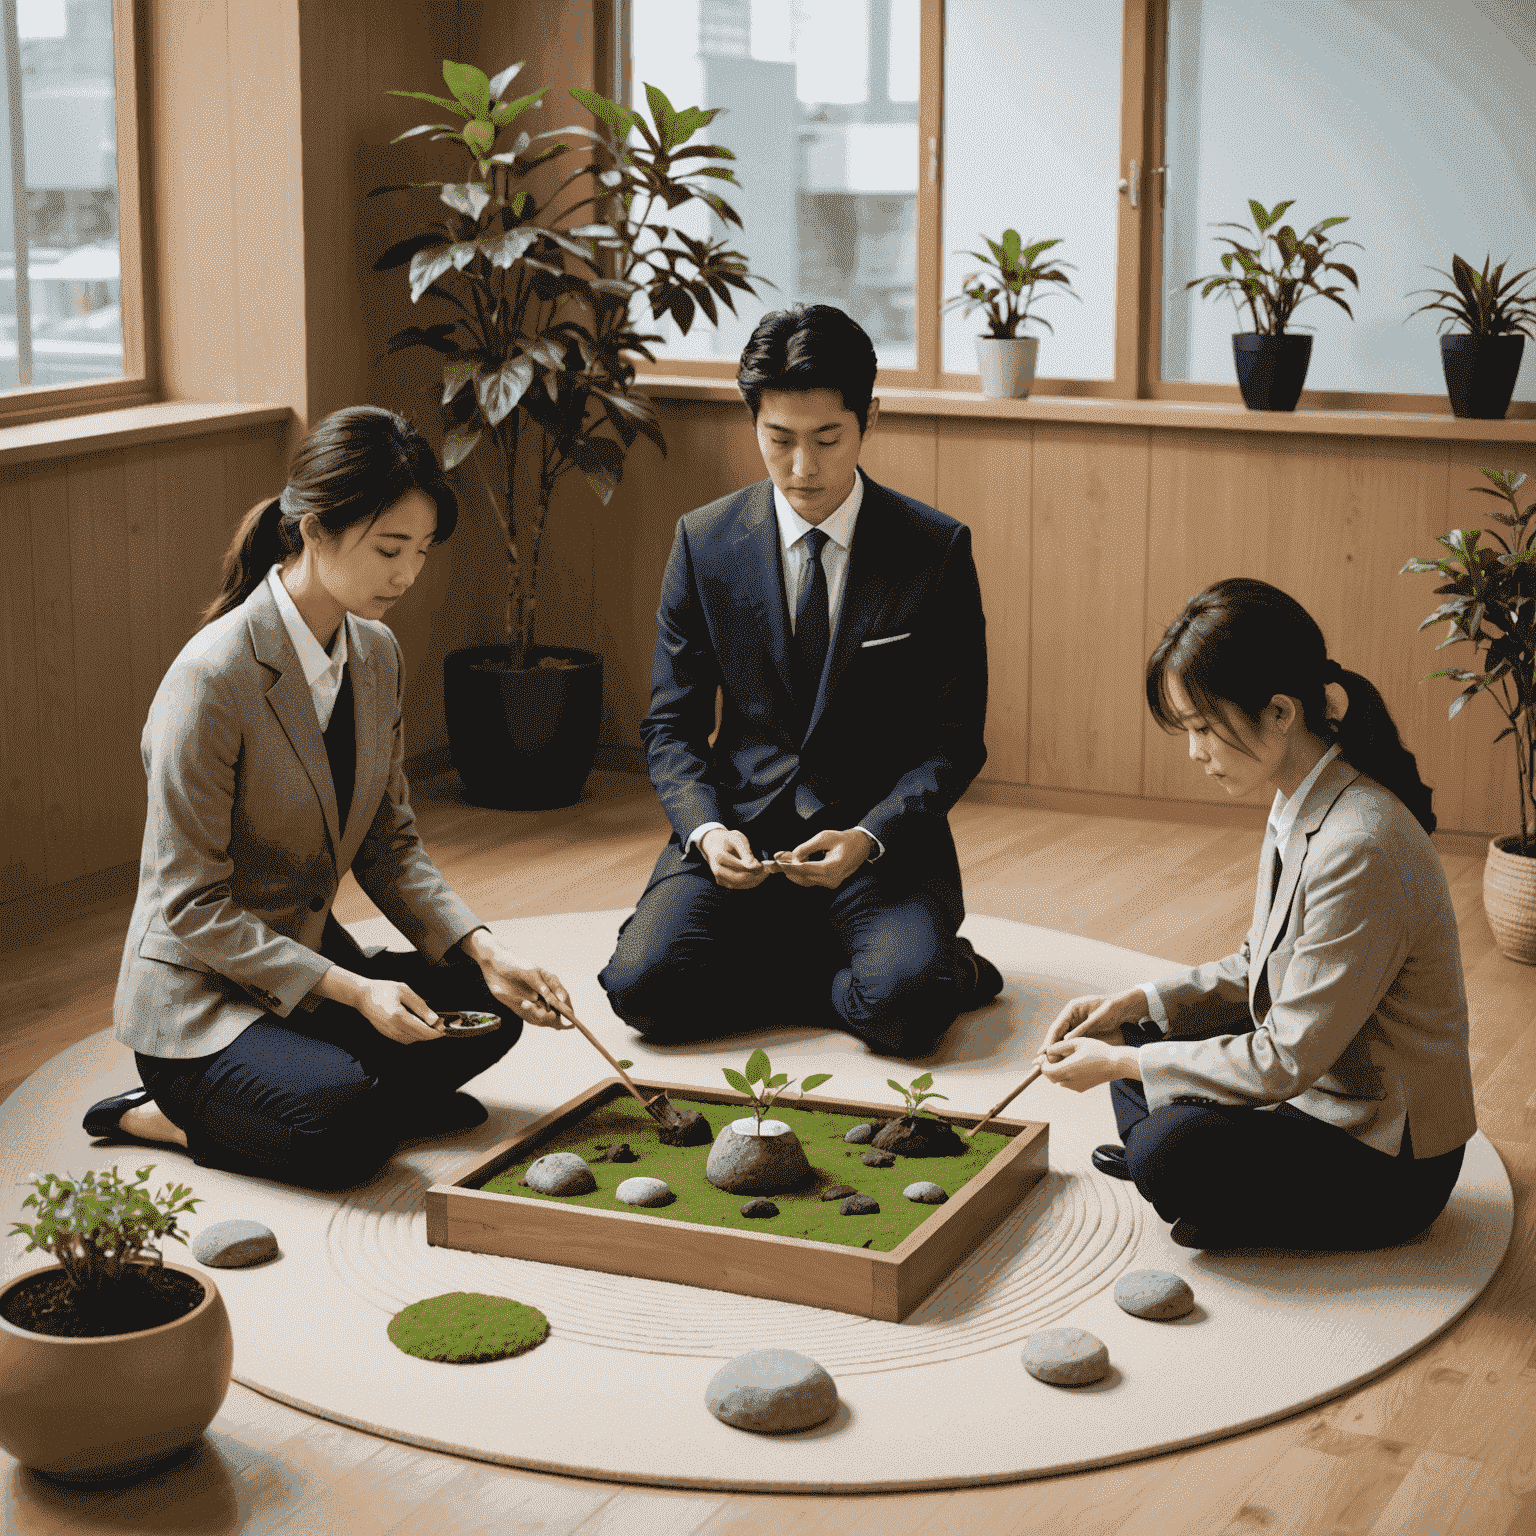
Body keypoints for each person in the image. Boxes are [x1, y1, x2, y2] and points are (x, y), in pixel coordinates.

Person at [86, 406, 572, 1190]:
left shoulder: (375, 654)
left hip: (308, 971)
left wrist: (486, 951)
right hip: (204, 1000)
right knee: (338, 1135)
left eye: (418, 551)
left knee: (492, 1011)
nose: (407, 574)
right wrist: (355, 991)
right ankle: (163, 1112)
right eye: (388, 549)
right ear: (313, 531)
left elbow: (390, 846)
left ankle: (350, 1091)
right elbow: (189, 906)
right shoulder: (212, 679)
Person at [599, 304, 1001, 1057]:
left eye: (827, 439)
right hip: (741, 839)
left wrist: (869, 836)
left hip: (876, 846)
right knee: (640, 992)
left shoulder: (935, 550)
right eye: (777, 440)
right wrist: (707, 829)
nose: (802, 468)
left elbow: (954, 743)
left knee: (905, 1015)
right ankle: (839, 971)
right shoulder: (704, 542)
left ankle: (920, 969)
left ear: (869, 419)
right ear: (751, 421)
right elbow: (671, 726)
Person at [1037, 577, 1476, 1250]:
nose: (1194, 752)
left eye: (1204, 728)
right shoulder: (1301, 799)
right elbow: (1260, 967)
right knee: (1137, 1045)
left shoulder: (1359, 844)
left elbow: (1283, 1060)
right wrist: (1136, 1002)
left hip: (1389, 1158)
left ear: (1279, 712)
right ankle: (1200, 1181)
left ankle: (1191, 1179)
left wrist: (1121, 1068)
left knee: (1162, 1139)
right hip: (1315, 1097)